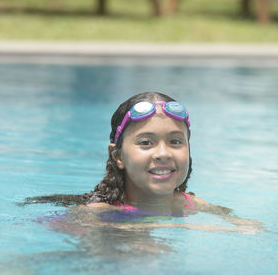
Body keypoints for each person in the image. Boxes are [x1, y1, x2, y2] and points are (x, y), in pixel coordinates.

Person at [71, 91, 263, 234]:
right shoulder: (99, 212)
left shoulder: (188, 203)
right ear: (118, 156)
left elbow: (246, 224)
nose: (163, 153)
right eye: (146, 143)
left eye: (175, 142)